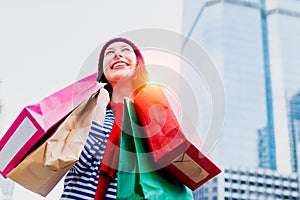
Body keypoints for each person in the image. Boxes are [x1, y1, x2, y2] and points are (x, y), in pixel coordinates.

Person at [60, 37, 148, 200]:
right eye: (110, 53)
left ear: (138, 64)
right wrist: (100, 108)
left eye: (125, 50)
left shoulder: (150, 117)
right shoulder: (85, 110)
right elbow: (75, 166)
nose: (118, 55)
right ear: (103, 70)